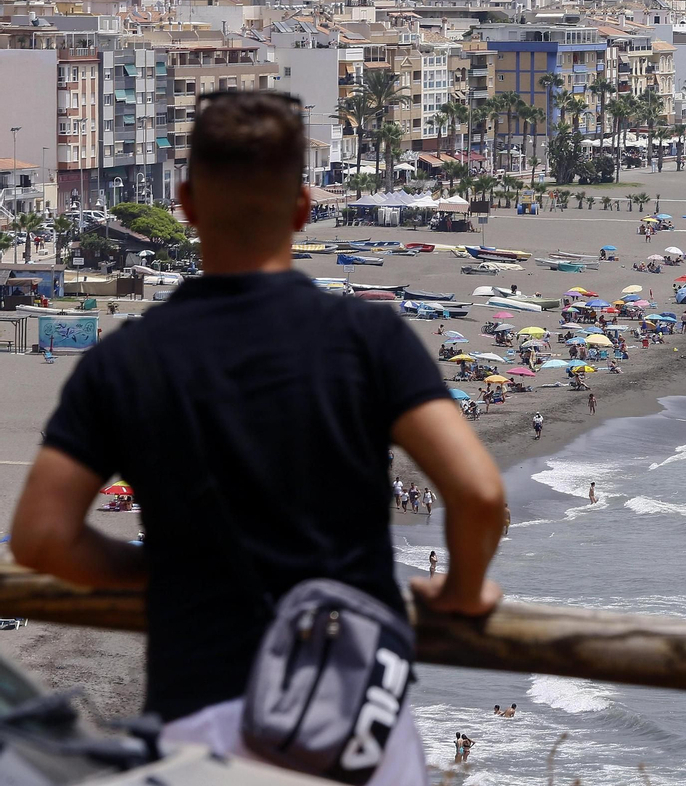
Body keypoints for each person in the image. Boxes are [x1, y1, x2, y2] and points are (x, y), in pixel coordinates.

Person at [12, 92, 505, 786]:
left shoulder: (129, 360)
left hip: (201, 724)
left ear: (185, 202)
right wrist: (463, 590)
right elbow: (478, 493)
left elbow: (40, 536)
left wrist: (156, 578)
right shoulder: (367, 339)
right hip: (351, 719)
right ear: (303, 207)